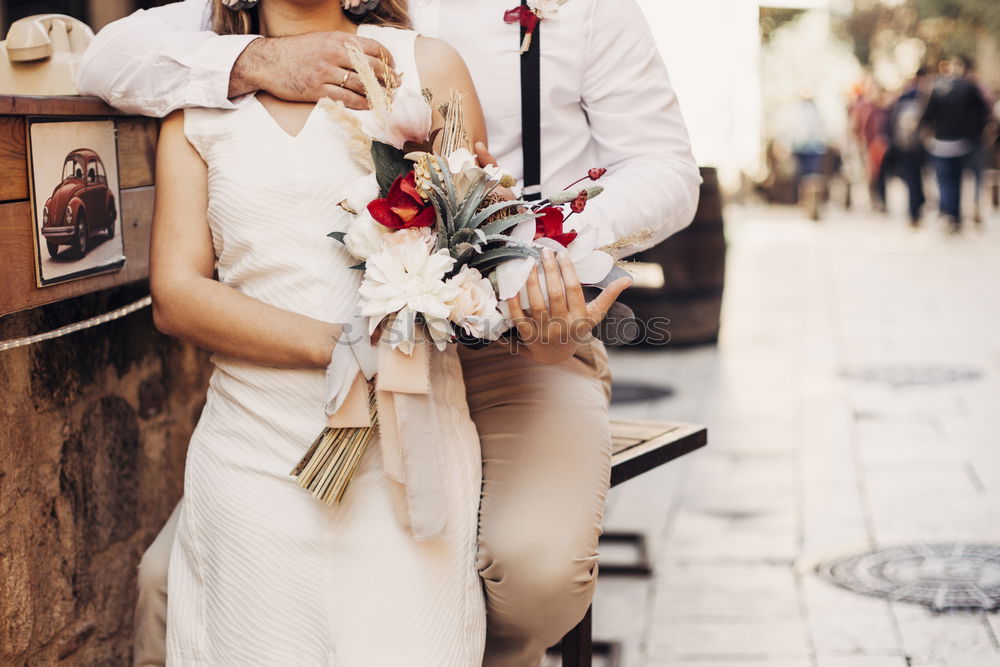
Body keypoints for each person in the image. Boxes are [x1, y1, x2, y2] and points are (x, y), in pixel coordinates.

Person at [77, 1, 700, 665]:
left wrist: (533, 256)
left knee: (530, 572)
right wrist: (258, 60)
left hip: (519, 345)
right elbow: (106, 56)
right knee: (166, 581)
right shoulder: (246, 48)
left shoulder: (542, 23)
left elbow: (665, 168)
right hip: (309, 379)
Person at [920, 56, 990, 233]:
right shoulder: (970, 87)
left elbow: (927, 116)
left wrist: (926, 132)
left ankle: (950, 213)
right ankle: (957, 215)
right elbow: (983, 113)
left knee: (946, 181)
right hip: (964, 142)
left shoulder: (936, 88)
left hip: (942, 143)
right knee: (959, 179)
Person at [886, 67, 929, 226]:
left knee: (916, 179)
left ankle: (917, 207)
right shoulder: (915, 96)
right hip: (913, 146)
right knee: (914, 179)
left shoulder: (906, 97)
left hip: (913, 146)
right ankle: (915, 210)